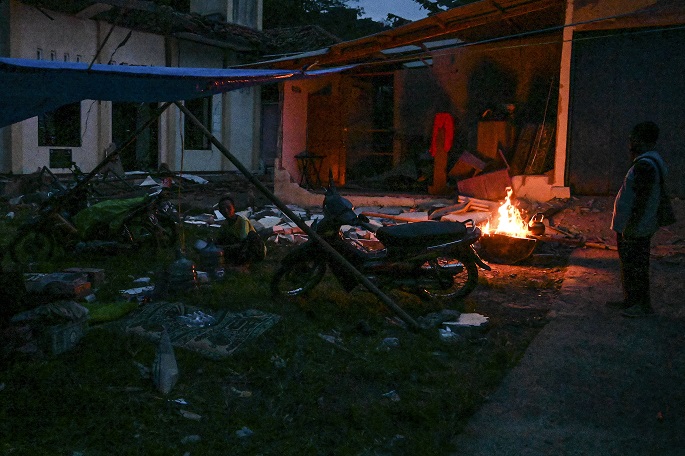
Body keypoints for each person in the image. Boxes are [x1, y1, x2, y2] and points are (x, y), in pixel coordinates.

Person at [608, 121, 668, 317]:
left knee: (635, 267)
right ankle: (631, 301)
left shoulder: (645, 165)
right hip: (637, 225)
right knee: (631, 265)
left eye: (633, 139)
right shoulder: (649, 160)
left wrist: (631, 225)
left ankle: (641, 306)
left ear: (642, 140)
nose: (630, 142)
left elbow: (641, 200)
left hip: (636, 227)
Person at [215, 195, 266, 267]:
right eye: (223, 209)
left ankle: (246, 264)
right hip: (238, 247)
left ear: (234, 208)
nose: (226, 211)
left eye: (228, 208)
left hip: (252, 249)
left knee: (251, 237)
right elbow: (219, 238)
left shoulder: (242, 221)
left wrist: (225, 247)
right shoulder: (225, 224)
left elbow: (243, 242)